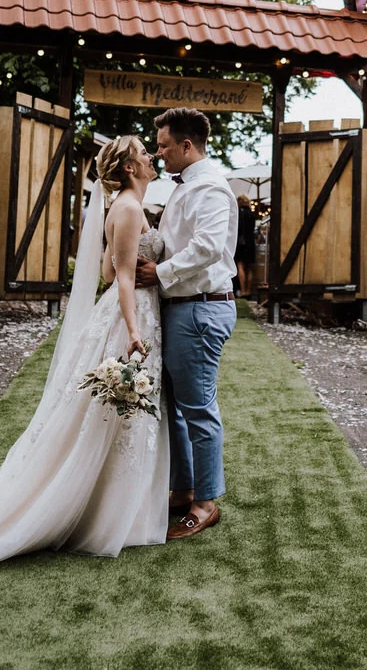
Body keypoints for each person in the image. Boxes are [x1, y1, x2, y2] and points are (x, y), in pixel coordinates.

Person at [0, 136, 169, 570]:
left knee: (112, 416)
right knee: (111, 414)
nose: (151, 156)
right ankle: (93, 513)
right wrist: (131, 330)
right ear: (129, 167)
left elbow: (108, 267)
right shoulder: (127, 209)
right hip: (132, 319)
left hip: (133, 313)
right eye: (144, 152)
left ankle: (112, 506)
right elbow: (121, 278)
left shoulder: (126, 207)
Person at [135, 107, 238, 540]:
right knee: (173, 407)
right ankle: (183, 488)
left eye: (162, 146)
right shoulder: (185, 186)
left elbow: (210, 247)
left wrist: (159, 272)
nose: (158, 154)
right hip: (182, 306)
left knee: (196, 408)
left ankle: (205, 502)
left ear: (186, 146)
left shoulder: (210, 188)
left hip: (201, 307)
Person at [234, 193, 258, 294]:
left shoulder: (237, 213)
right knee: (249, 267)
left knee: (240, 266)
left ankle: (242, 290)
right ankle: (248, 291)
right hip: (250, 242)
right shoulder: (252, 214)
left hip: (240, 243)